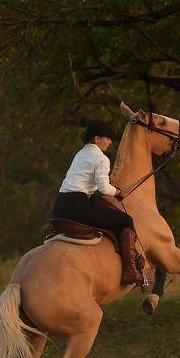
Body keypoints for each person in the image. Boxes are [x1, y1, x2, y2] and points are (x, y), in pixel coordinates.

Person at [51, 120, 144, 285]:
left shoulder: (81, 154)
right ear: (96, 139)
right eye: (107, 138)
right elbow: (103, 188)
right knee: (126, 220)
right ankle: (130, 271)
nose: (109, 142)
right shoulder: (101, 158)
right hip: (77, 206)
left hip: (59, 206)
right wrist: (117, 192)